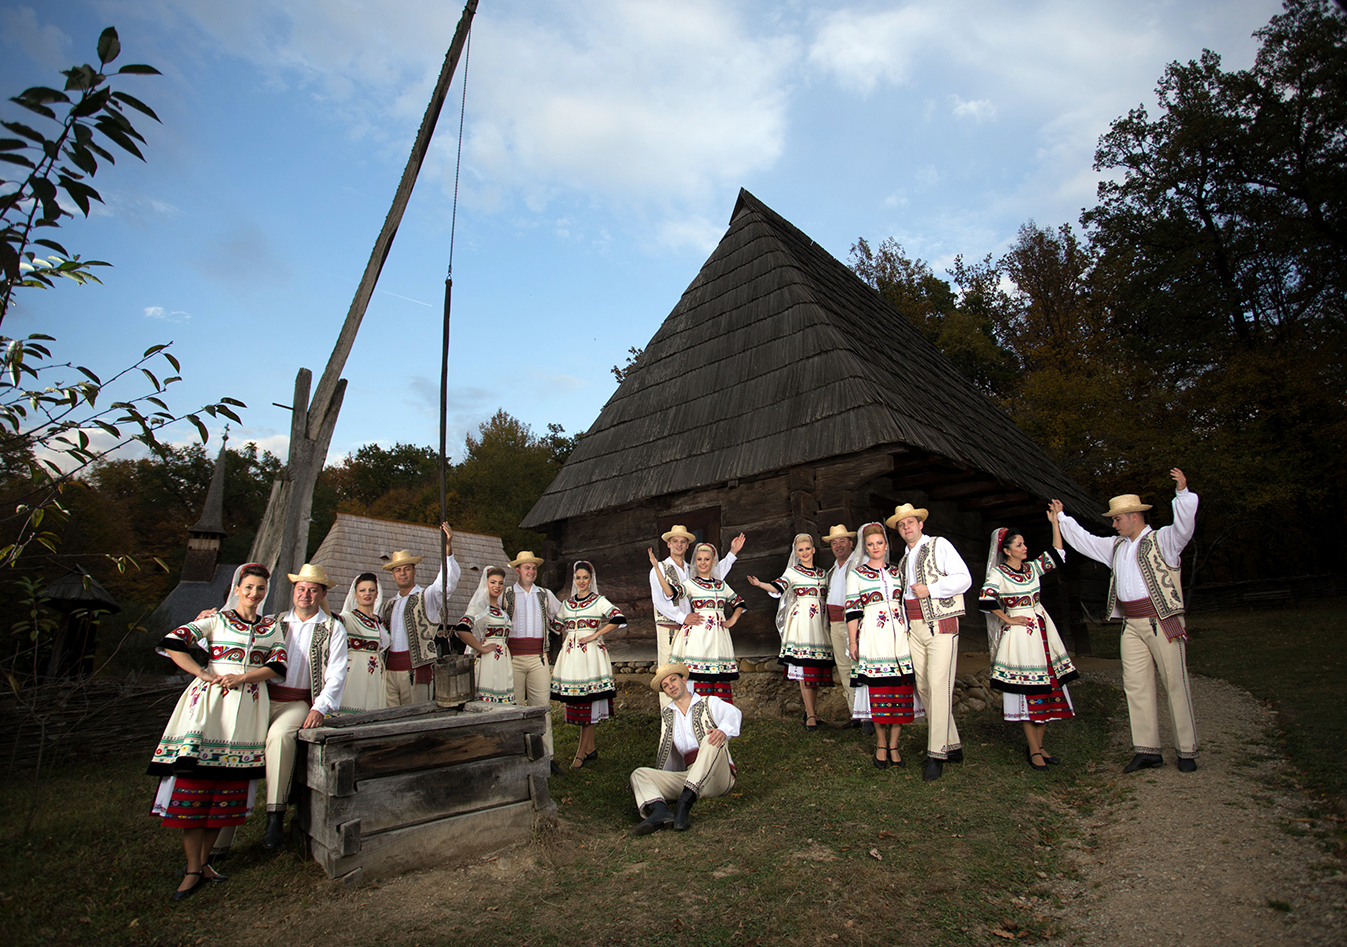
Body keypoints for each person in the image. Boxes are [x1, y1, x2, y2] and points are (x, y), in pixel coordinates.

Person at [147, 563, 287, 901]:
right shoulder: (216, 620)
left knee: (224, 794)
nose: (254, 594)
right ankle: (192, 867)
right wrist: (202, 672)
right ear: (237, 588)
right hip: (210, 709)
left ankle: (205, 861)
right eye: (249, 587)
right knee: (196, 785)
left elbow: (277, 665)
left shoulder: (271, 628)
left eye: (260, 589)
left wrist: (244, 677)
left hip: (248, 708)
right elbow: (173, 642)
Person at [1052, 468, 1200, 772]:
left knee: (1175, 683)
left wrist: (1182, 495)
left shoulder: (1164, 541)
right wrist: (1062, 519)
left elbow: (1185, 527)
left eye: (1117, 519)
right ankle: (1148, 749)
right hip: (1131, 624)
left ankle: (1186, 751)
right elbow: (1087, 541)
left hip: (1162, 620)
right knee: (1135, 684)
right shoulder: (1116, 547)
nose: (1114, 524)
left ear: (1134, 516)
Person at [259, 563, 349, 850]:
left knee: (280, 736)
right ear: (293, 591)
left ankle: (275, 814)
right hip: (262, 697)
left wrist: (320, 706)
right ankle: (222, 828)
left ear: (322, 593)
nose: (306, 595)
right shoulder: (274, 622)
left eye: (313, 590)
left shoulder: (332, 627)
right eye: (301, 589)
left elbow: (336, 672)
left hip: (299, 700)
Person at [979, 518, 1080, 771]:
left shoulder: (1032, 568)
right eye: (1019, 544)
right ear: (1007, 550)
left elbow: (1057, 553)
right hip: (1021, 636)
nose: (1025, 548)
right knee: (1028, 689)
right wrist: (1008, 619)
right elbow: (986, 600)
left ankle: (1040, 745)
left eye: (1024, 544)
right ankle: (1033, 749)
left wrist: (1055, 523)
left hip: (1043, 630)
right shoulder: (999, 573)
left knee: (1048, 687)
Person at [890, 503, 973, 782]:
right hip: (915, 627)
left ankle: (936, 753)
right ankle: (953, 744)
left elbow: (964, 579)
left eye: (910, 522)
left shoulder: (939, 545)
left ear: (920, 524)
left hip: (941, 623)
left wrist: (932, 590)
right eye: (902, 525)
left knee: (938, 686)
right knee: (925, 686)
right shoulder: (903, 560)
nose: (906, 527)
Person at [629, 663, 742, 835]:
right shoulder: (668, 715)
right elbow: (668, 754)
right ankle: (660, 812)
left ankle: (684, 804)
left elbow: (734, 714)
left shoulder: (709, 702)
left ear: (683, 680)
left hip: (718, 777)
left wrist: (722, 730)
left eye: (673, 680)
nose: (671, 686)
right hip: (690, 776)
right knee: (639, 774)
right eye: (665, 685)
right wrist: (661, 778)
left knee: (710, 739)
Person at [846, 522, 922, 769]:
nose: (875, 547)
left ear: (886, 545)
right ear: (865, 548)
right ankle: (881, 743)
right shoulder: (857, 574)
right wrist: (853, 641)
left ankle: (895, 744)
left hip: (899, 638)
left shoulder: (897, 572)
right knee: (879, 692)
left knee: (900, 691)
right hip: (873, 638)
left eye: (879, 543)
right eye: (870, 544)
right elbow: (852, 611)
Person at [648, 526, 745, 706]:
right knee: (669, 676)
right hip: (671, 628)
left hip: (695, 631)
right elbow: (661, 600)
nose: (678, 545)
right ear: (668, 544)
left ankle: (693, 718)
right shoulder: (660, 568)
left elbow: (714, 577)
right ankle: (670, 726)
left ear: (687, 546)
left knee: (689, 679)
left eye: (682, 542)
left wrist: (732, 553)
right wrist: (682, 618)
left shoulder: (691, 569)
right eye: (675, 541)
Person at [747, 533, 833, 730]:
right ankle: (810, 714)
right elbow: (778, 588)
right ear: (796, 552)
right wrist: (760, 584)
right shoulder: (793, 573)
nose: (804, 553)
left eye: (807, 549)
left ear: (813, 550)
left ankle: (812, 711)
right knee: (804, 668)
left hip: (819, 623)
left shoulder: (823, 573)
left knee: (815, 669)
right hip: (802, 622)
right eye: (800, 550)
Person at [550, 561, 626, 767]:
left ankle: (581, 752)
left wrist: (596, 634)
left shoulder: (598, 601)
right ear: (574, 580)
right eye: (578, 578)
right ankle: (590, 748)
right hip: (572, 658)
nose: (581, 581)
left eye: (585, 577)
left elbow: (618, 617)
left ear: (591, 579)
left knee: (590, 699)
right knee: (580, 702)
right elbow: (555, 627)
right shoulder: (567, 605)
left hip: (591, 656)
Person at [379, 523, 460, 706]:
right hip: (389, 671)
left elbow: (445, 583)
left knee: (414, 720)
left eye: (406, 569)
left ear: (414, 571)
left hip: (414, 671)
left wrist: (448, 550)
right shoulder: (388, 605)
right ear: (393, 575)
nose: (402, 573)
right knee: (389, 720)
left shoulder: (426, 596)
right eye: (398, 570)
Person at [502, 550, 564, 773]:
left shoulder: (545, 594)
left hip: (539, 657)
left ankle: (547, 757)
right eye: (527, 568)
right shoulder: (506, 594)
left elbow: (563, 614)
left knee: (542, 708)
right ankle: (517, 755)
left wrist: (554, 628)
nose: (531, 571)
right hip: (513, 657)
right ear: (517, 570)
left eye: (534, 568)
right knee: (515, 707)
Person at [454, 567, 516, 704]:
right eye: (493, 582)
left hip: (502, 661)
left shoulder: (501, 610)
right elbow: (462, 628)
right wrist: (480, 648)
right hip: (487, 660)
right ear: (485, 583)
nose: (497, 586)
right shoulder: (479, 608)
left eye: (500, 583)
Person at [334, 572, 390, 715]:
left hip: (376, 674)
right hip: (355, 671)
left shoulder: (380, 622)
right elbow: (330, 619)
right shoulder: (349, 618)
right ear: (355, 594)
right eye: (362, 590)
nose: (367, 594)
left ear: (377, 593)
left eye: (371, 590)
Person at [821, 525, 860, 729]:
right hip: (835, 622)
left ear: (851, 543)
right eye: (834, 543)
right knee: (844, 667)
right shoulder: (832, 570)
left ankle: (867, 713)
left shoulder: (858, 564)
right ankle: (855, 713)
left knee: (857, 666)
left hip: (852, 621)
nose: (838, 545)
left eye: (842, 541)